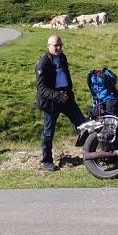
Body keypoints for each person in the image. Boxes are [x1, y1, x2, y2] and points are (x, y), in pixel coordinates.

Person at [34, 34, 85, 172]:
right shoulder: (43, 63)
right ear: (48, 46)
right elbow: (41, 88)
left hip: (66, 98)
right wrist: (57, 96)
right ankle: (46, 161)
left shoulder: (62, 58)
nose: (58, 48)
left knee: (83, 125)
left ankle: (91, 154)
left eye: (60, 45)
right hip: (51, 102)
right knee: (48, 132)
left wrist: (67, 94)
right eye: (55, 45)